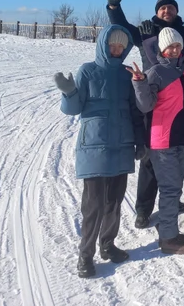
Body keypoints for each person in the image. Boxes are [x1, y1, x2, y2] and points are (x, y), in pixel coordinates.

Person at [53, 25, 144, 278]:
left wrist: (140, 141)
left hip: (122, 145)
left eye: (121, 46)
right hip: (94, 147)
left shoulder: (127, 74)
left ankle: (108, 245)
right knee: (92, 206)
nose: (116, 50)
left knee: (114, 203)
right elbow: (73, 109)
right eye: (112, 45)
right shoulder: (88, 71)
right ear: (103, 45)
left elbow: (136, 112)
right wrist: (69, 92)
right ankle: (85, 255)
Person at [104, 0, 184, 228]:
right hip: (151, 95)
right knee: (151, 158)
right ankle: (143, 208)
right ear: (157, 12)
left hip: (177, 98)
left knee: (175, 155)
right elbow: (121, 27)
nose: (167, 11)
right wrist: (114, 6)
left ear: (176, 12)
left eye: (171, 8)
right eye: (163, 8)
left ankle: (172, 199)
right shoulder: (146, 30)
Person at [130, 28, 184, 255]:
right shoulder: (156, 72)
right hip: (163, 141)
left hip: (182, 138)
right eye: (170, 46)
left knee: (175, 186)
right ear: (161, 49)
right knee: (170, 189)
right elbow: (145, 106)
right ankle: (168, 238)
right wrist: (139, 82)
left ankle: (166, 225)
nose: (174, 49)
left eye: (177, 45)